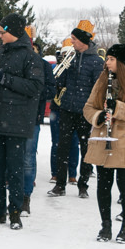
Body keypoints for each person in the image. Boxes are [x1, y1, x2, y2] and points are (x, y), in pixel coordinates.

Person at [83, 44, 125, 243]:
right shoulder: (102, 81)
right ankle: (105, 225)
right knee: (103, 186)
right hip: (104, 140)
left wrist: (118, 108)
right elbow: (88, 108)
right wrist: (99, 115)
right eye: (107, 59)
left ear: (121, 62)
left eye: (111, 59)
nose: (107, 63)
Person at [0, 13, 44, 230]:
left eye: (3, 32)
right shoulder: (0, 54)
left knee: (15, 170)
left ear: (15, 33)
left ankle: (15, 212)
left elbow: (35, 87)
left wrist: (4, 79)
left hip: (17, 122)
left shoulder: (30, 57)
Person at [47, 20, 104, 198]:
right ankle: (60, 185)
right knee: (62, 147)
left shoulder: (96, 61)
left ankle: (83, 185)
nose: (71, 42)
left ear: (82, 40)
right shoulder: (70, 58)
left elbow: (97, 88)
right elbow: (59, 82)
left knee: (86, 149)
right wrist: (62, 67)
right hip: (67, 109)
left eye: (73, 39)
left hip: (85, 112)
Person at [22, 32, 56, 216]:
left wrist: (34, 91)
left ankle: (26, 196)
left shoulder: (42, 65)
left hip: (33, 116)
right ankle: (14, 192)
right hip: (12, 116)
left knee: (28, 157)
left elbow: (51, 89)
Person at [49, 38, 80, 184]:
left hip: (72, 109)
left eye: (70, 53)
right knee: (56, 142)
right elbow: (51, 85)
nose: (67, 56)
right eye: (64, 54)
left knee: (73, 143)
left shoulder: (78, 68)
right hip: (57, 108)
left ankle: (72, 173)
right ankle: (55, 173)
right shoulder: (55, 68)